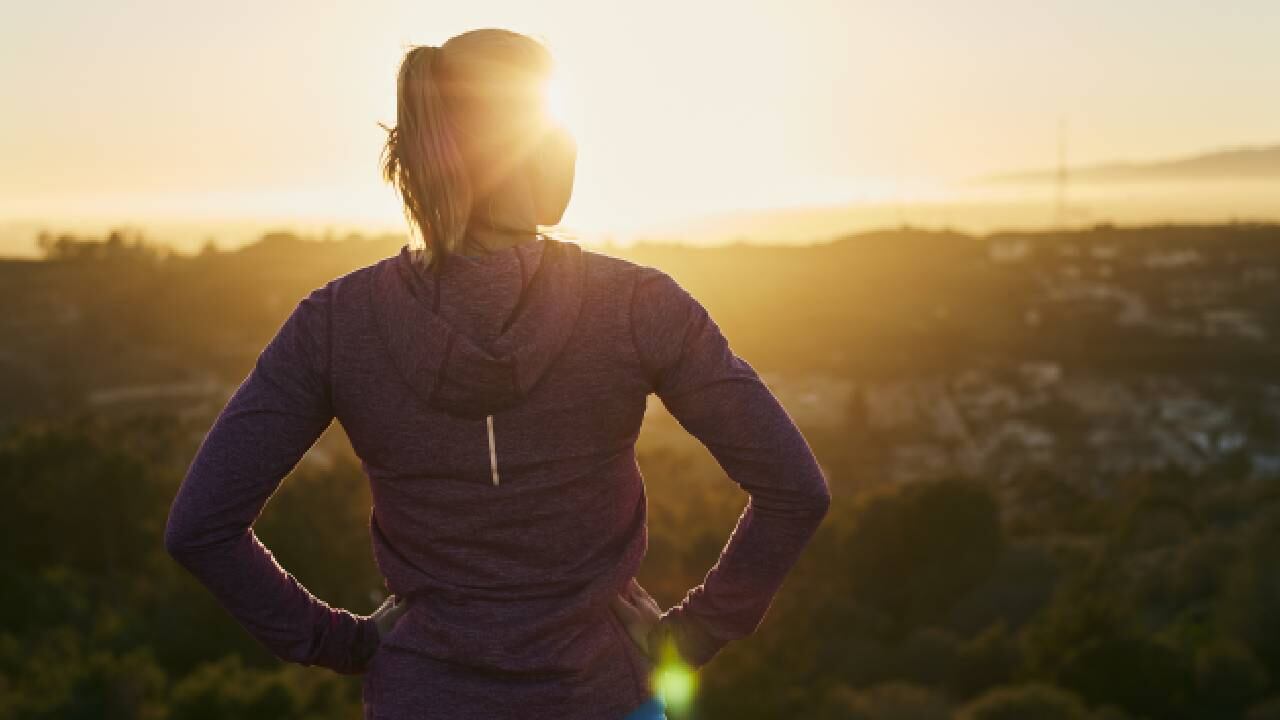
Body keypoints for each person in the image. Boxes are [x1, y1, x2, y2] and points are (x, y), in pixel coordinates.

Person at [163, 27, 831, 720]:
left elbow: (200, 529)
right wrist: (690, 637)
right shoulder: (637, 305)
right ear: (543, 148)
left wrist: (342, 643)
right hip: (603, 698)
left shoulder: (337, 323)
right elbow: (795, 490)